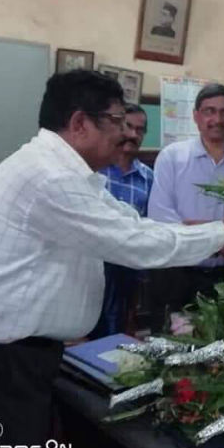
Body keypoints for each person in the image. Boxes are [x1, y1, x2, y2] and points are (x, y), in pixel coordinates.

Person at [0, 70, 224, 448]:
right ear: (80, 123)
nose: (126, 133)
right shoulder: (49, 178)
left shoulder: (69, 172)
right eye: (117, 121)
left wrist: (219, 236)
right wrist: (223, 233)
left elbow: (132, 223)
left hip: (10, 347)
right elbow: (133, 242)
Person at [147, 83, 224, 319]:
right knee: (172, 337)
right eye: (209, 111)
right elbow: (161, 218)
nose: (217, 119)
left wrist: (195, 227)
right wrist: (220, 235)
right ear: (196, 116)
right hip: (178, 273)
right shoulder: (172, 156)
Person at [89, 103, 154, 338]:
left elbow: (149, 225)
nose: (133, 135)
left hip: (127, 268)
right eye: (128, 126)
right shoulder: (96, 171)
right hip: (94, 264)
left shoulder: (148, 177)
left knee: (118, 331)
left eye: (140, 130)